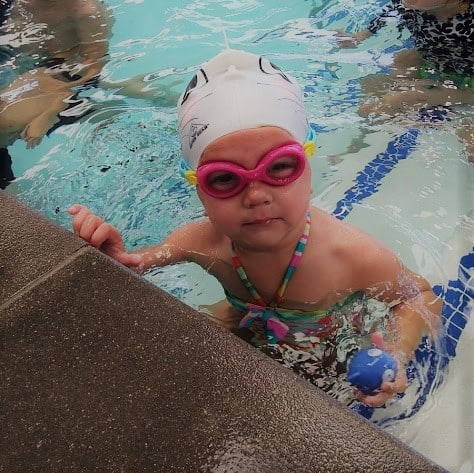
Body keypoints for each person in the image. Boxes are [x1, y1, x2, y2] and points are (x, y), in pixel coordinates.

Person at [68, 49, 442, 408]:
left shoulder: (350, 255)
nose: (256, 195)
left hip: (330, 336)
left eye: (280, 167)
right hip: (242, 320)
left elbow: (419, 297)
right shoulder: (200, 242)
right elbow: (137, 261)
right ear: (198, 190)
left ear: (309, 170)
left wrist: (396, 351)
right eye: (225, 179)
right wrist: (117, 257)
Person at [337, 0, 474, 161]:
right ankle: (442, 115)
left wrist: (450, 95)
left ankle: (459, 121)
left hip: (468, 80)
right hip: (438, 61)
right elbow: (389, 11)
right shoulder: (409, 4)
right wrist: (360, 37)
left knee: (393, 102)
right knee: (371, 87)